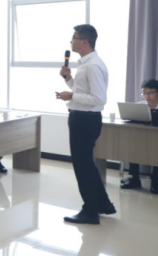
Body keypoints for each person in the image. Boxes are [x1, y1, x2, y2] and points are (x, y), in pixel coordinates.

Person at [58, 24, 115, 225]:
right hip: (82, 117)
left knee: (83, 167)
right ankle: (103, 205)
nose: (71, 41)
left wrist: (71, 96)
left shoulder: (92, 65)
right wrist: (68, 79)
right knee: (86, 165)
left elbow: (99, 98)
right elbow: (82, 91)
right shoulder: (86, 64)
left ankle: (90, 212)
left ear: (84, 41)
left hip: (85, 120)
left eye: (74, 38)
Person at [120, 79, 158, 193]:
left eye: (150, 93)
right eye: (144, 93)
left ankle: (155, 181)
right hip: (141, 139)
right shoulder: (139, 106)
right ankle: (134, 179)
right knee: (133, 147)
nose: (147, 96)